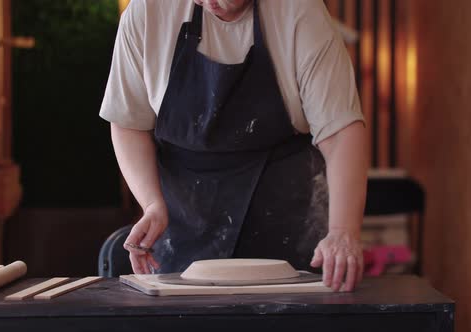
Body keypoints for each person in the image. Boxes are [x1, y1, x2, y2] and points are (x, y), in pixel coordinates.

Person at [99, 0, 367, 292]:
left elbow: (340, 132)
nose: (210, 2)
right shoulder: (149, 10)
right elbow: (129, 122)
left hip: (287, 216)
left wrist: (343, 231)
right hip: (183, 222)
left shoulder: (299, 11)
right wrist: (151, 202)